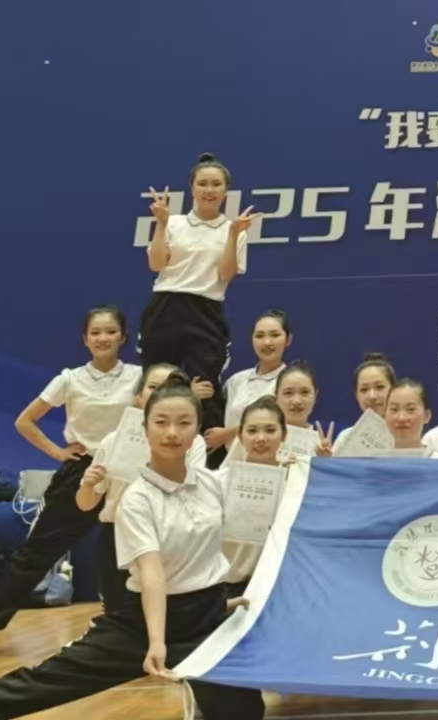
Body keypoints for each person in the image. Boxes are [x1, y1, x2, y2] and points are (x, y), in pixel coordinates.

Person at [0, 376, 266, 720]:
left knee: (243, 710)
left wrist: (214, 600)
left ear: (197, 431)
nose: (172, 432)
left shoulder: (212, 484)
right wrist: (157, 641)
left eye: (184, 423)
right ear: (144, 429)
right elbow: (151, 572)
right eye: (161, 422)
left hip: (206, 622)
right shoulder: (138, 499)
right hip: (141, 625)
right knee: (41, 684)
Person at [0, 306, 143, 658]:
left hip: (127, 474)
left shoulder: (139, 376)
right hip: (81, 472)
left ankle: (126, 631)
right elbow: (25, 421)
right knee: (37, 553)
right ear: (85, 339)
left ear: (123, 336)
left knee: (127, 555)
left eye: (110, 331)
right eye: (95, 332)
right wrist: (57, 452)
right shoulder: (69, 379)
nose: (103, 338)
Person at [139, 153, 260, 445]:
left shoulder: (234, 229)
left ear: (225, 191)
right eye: (202, 183)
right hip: (165, 307)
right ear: (192, 188)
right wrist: (161, 223)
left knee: (204, 387)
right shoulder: (173, 222)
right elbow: (156, 264)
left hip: (206, 311)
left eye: (216, 184)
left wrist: (233, 235)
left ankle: (207, 459)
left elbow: (226, 274)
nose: (209, 190)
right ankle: (151, 451)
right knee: (158, 384)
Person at [74, 364, 209, 618]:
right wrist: (89, 485)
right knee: (118, 617)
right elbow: (85, 504)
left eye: (170, 387)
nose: (161, 393)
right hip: (115, 536)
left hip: (167, 537)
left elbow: (193, 491)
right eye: (153, 387)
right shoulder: (113, 440)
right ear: (138, 396)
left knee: (162, 614)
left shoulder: (193, 443)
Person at [221, 396, 289, 597]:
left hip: (273, 589)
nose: (260, 438)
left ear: (284, 434)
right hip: (223, 586)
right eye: (252, 431)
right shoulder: (219, 481)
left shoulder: (293, 487)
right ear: (240, 436)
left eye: (270, 430)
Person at [206, 309, 293, 462]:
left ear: (288, 340)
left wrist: (226, 434)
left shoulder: (290, 382)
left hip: (272, 463)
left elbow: (287, 423)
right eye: (260, 336)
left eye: (274, 335)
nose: (267, 342)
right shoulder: (236, 381)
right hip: (232, 463)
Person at [334, 353, 397, 450]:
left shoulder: (409, 436)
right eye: (364, 389)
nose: (372, 396)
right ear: (356, 395)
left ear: (395, 389)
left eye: (379, 387)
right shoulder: (345, 438)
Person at [385, 379, 438, 457]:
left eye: (410, 409)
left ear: (427, 415)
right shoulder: (375, 462)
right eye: (394, 409)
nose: (401, 418)